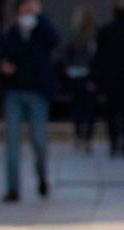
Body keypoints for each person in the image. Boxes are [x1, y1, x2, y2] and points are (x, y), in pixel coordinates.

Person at [0, 0, 61, 202]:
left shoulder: (43, 31)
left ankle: (42, 175)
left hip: (37, 93)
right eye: (24, 9)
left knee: (39, 140)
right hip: (14, 93)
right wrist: (3, 68)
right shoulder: (11, 34)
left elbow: (54, 41)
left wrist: (40, 18)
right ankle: (13, 189)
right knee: (12, 142)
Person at [63, 7, 99, 154]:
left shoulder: (75, 35)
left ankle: (79, 136)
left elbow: (67, 54)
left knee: (78, 107)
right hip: (87, 75)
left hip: (76, 74)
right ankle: (87, 138)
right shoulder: (93, 36)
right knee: (89, 109)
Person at [93, 2, 124, 157]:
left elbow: (99, 57)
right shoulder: (105, 31)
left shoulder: (105, 31)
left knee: (111, 112)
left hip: (111, 78)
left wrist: (97, 79)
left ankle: (114, 142)